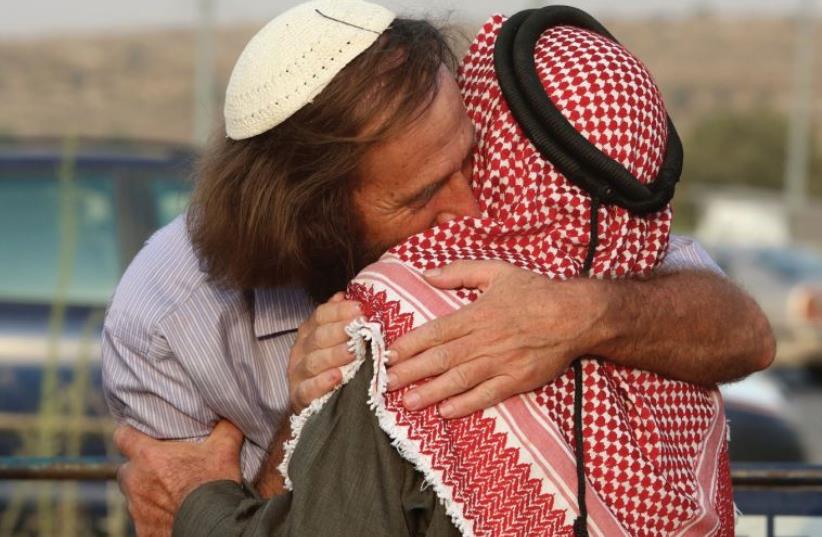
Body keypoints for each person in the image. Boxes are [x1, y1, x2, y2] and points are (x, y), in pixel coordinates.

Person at [107, 1, 774, 535]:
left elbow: (743, 330)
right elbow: (217, 504)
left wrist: (581, 313)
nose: (468, 207)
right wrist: (296, 423)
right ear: (312, 220)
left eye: (470, 158)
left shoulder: (522, 217)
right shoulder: (167, 321)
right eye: (423, 195)